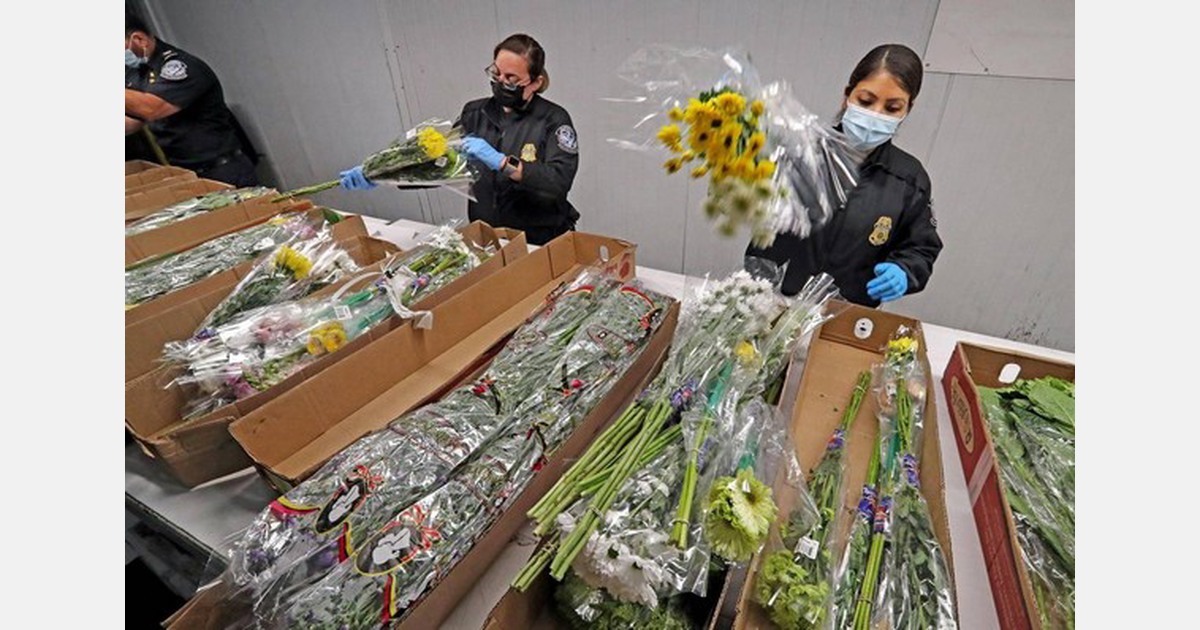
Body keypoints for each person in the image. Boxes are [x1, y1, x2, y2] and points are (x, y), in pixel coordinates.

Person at [746, 43, 942, 307]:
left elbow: (920, 247)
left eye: (892, 108)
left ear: (907, 110)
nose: (875, 115)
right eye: (866, 101)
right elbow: (739, 195)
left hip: (842, 314)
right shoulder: (797, 149)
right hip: (769, 299)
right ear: (847, 95)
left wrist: (905, 271)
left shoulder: (909, 180)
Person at [340, 34, 580, 246]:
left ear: (535, 82)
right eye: (496, 73)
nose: (501, 82)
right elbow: (441, 167)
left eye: (512, 79)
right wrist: (382, 173)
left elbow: (558, 181)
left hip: (539, 241)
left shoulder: (553, 120)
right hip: (488, 238)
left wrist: (504, 163)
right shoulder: (475, 114)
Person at [124, 12, 260, 187]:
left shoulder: (178, 66)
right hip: (188, 174)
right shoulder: (139, 73)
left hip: (222, 171)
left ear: (139, 39)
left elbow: (151, 109)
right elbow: (134, 120)